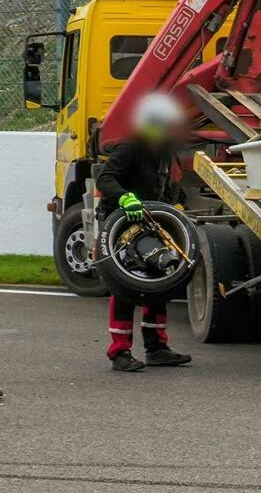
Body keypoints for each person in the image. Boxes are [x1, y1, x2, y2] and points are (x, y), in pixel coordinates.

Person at [96, 93, 192, 372]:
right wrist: (125, 198)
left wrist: (176, 204)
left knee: (160, 284)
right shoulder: (129, 149)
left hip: (152, 226)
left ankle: (157, 348)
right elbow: (106, 178)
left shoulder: (164, 153)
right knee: (125, 288)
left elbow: (170, 186)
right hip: (122, 225)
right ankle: (120, 353)